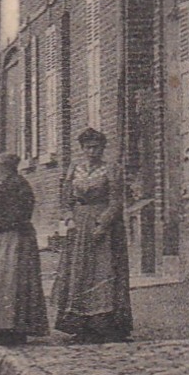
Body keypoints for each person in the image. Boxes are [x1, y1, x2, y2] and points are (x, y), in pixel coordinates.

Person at [52, 128, 133, 343]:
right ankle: (81, 325)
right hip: (79, 227)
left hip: (104, 227)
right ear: (82, 149)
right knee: (79, 272)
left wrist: (103, 224)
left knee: (102, 270)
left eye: (96, 147)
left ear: (102, 148)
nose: (92, 151)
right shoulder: (74, 170)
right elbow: (65, 200)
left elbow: (117, 202)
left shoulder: (112, 170)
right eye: (88, 147)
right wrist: (68, 219)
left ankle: (106, 325)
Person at [0, 153, 49, 346]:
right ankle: (0, 327)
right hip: (2, 239)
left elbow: (17, 217)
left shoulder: (19, 186)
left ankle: (13, 329)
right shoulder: (3, 184)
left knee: (10, 283)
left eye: (3, 167)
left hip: (16, 240)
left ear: (10, 168)